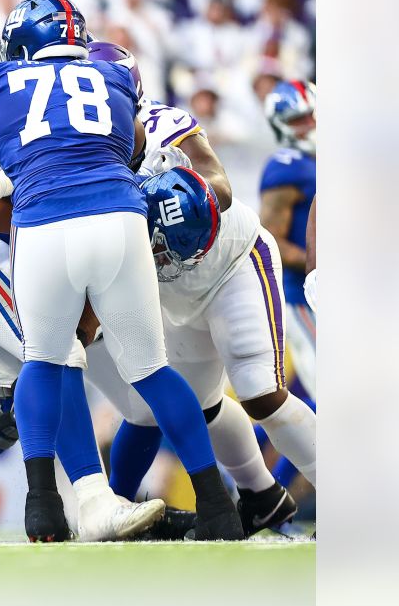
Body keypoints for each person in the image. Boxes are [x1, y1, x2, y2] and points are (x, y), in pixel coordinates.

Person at [0, 0, 243, 540]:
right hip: (120, 220)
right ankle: (217, 505)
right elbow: (132, 149)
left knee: (43, 360)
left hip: (45, 224)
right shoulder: (113, 77)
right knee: (152, 370)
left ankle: (42, 504)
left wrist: (9, 180)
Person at [79, 43, 310, 533]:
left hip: (230, 263)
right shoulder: (82, 155)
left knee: (260, 393)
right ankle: (262, 495)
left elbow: (219, 184)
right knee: (198, 406)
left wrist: (179, 198)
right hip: (169, 291)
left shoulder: (164, 124)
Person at [259, 81, 317, 400]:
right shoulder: (285, 168)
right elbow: (272, 241)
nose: (310, 123)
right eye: (299, 118)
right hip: (305, 296)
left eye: (313, 114)